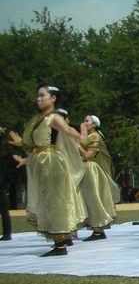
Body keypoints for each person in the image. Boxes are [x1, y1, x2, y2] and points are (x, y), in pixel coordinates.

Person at [8, 84, 87, 256]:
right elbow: (35, 143)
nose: (39, 99)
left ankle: (61, 244)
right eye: (38, 95)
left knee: (55, 200)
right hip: (41, 161)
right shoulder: (38, 119)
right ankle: (59, 241)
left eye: (42, 95)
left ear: (53, 98)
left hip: (51, 162)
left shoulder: (54, 117)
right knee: (47, 200)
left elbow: (67, 129)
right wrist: (21, 145)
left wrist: (81, 136)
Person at [76, 114, 121, 241]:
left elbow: (88, 155)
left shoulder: (95, 137)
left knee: (94, 199)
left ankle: (98, 229)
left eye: (87, 121)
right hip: (83, 170)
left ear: (94, 124)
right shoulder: (87, 137)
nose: (84, 123)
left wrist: (77, 145)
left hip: (90, 171)